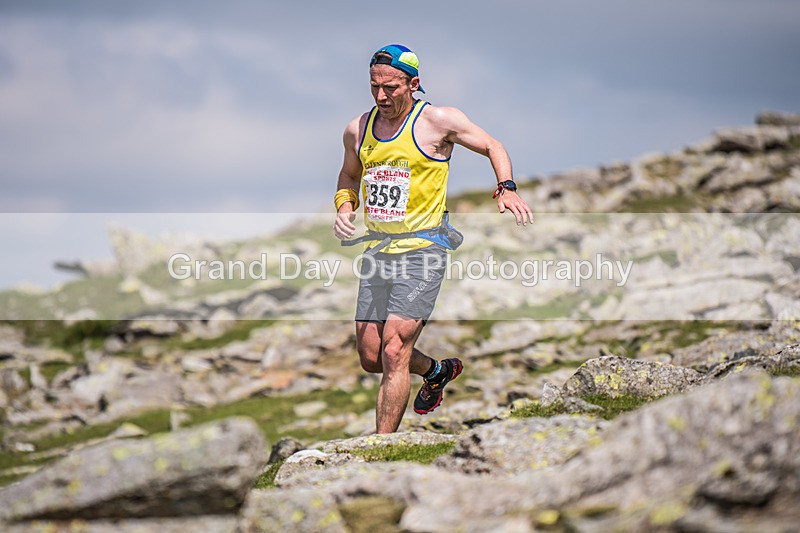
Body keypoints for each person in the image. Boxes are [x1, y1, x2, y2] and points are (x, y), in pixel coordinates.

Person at [333, 44, 533, 434]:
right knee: (372, 356)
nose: (381, 96)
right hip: (378, 251)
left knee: (394, 350)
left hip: (424, 249)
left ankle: (381, 448)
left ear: (413, 83)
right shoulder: (357, 129)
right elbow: (348, 175)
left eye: (390, 87)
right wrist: (344, 206)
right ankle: (437, 371)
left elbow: (493, 144)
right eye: (374, 86)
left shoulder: (439, 121)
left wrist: (506, 186)